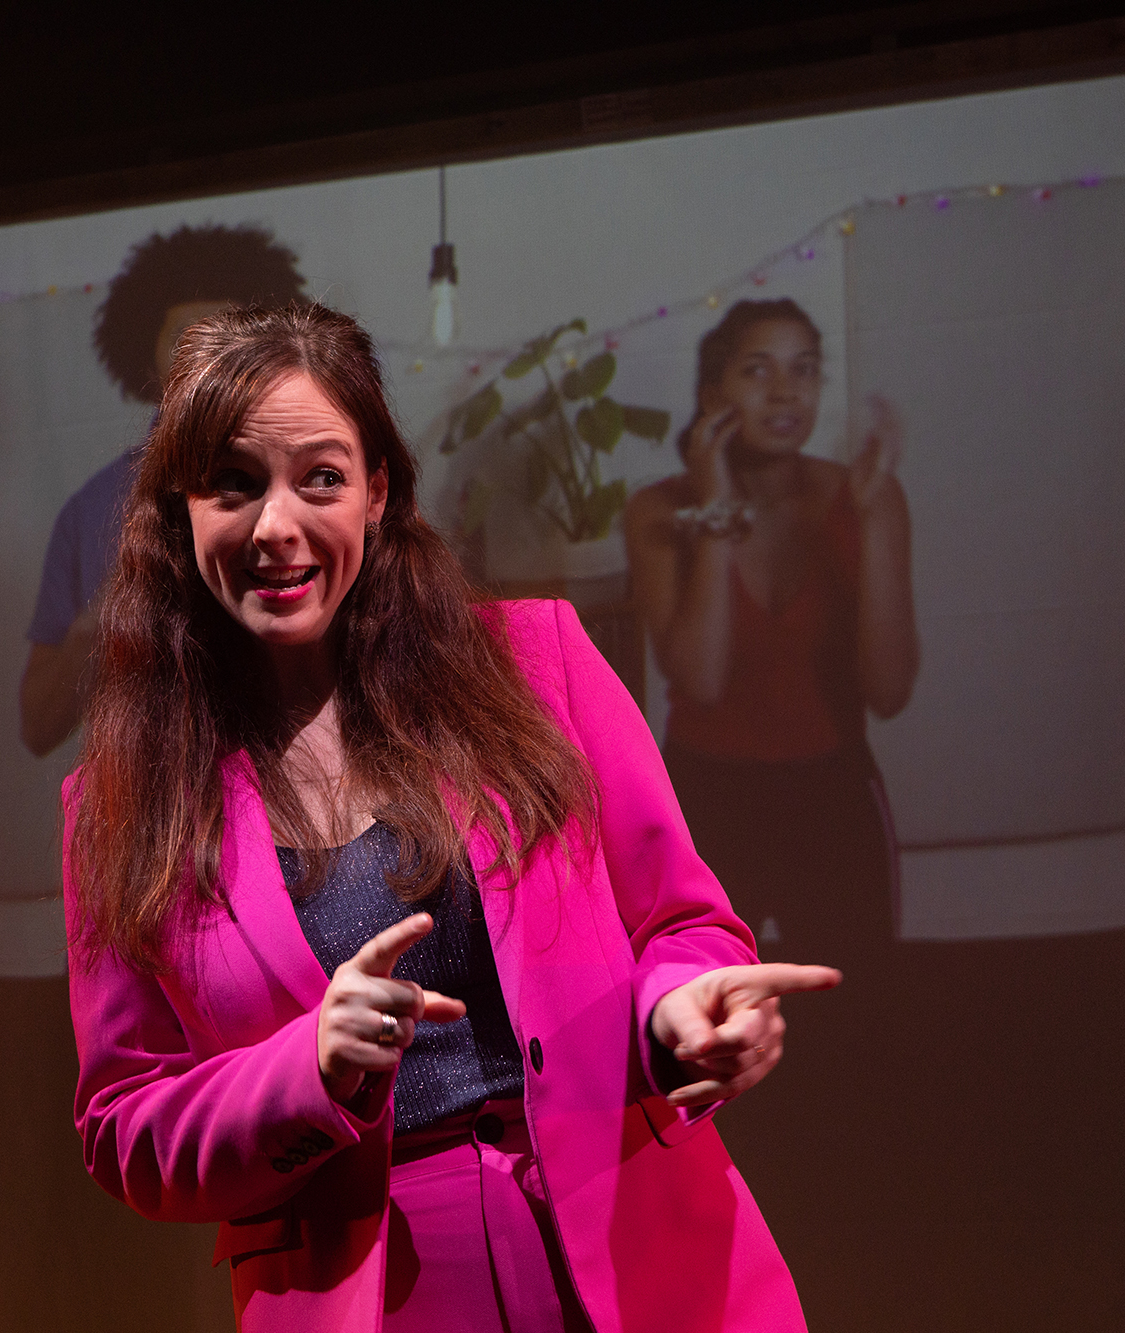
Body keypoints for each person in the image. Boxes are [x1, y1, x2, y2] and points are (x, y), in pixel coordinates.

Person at [62, 302, 842, 1332]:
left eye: (321, 478)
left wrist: (678, 1013)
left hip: (631, 1244)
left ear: (378, 491)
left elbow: (681, 926)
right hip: (372, 1298)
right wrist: (308, 1067)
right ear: (181, 513)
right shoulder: (121, 805)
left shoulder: (535, 665)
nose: (277, 526)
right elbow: (125, 1125)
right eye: (233, 486)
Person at [625, 299, 919, 962]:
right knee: (703, 1014)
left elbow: (891, 691)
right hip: (707, 794)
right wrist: (718, 510)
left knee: (860, 1009)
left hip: (834, 792)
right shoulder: (660, 510)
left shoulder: (865, 497)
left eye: (804, 370)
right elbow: (699, 676)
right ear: (713, 395)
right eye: (758, 371)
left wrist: (871, 527)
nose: (785, 391)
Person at [19, 223, 310, 756]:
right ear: (143, 351)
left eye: (225, 340)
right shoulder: (92, 512)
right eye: (183, 339)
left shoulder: (317, 489)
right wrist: (106, 619)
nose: (203, 365)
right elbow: (38, 725)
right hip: (153, 809)